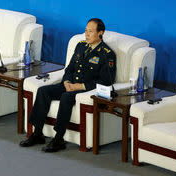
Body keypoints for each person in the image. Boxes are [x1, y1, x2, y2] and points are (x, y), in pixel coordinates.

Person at [20, 18, 116, 152]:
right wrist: (66, 81)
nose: (86, 34)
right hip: (69, 84)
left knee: (66, 97)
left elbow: (105, 81)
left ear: (100, 33)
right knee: (43, 91)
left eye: (91, 31)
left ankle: (59, 139)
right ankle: (37, 133)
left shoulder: (107, 54)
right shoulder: (81, 45)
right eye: (86, 31)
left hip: (84, 90)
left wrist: (79, 86)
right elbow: (69, 68)